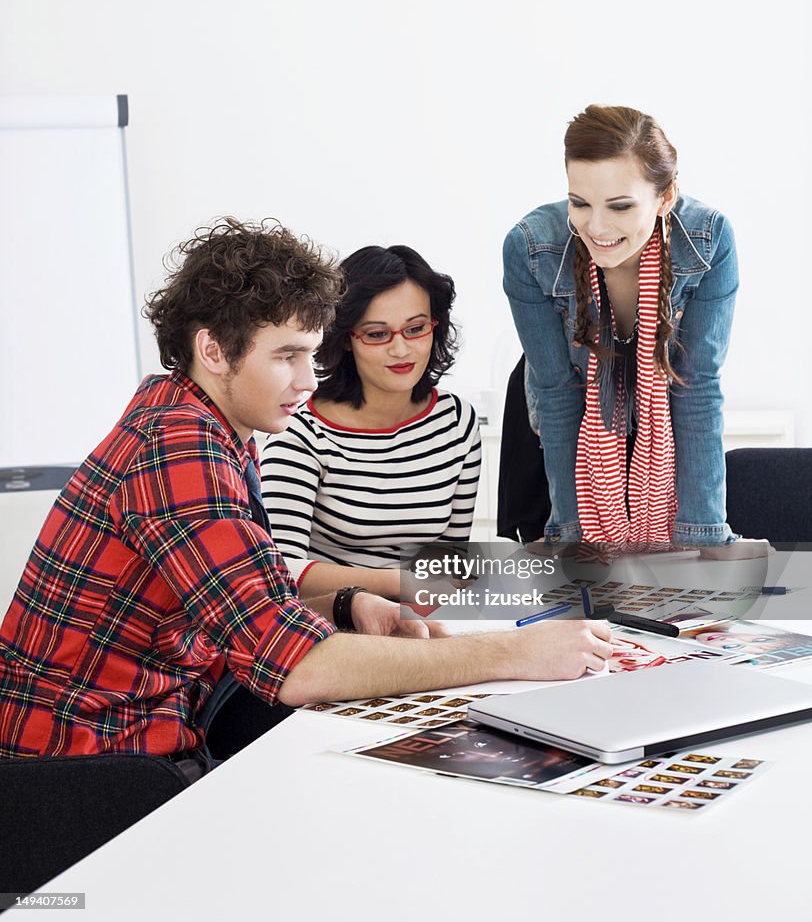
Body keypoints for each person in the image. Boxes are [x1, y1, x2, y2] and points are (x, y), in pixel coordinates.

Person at [0, 218, 612, 779]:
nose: (305, 380)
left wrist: (346, 605)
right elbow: (295, 667)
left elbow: (244, 594)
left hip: (139, 731)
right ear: (213, 350)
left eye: (310, 354)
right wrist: (515, 653)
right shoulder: (181, 450)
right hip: (86, 767)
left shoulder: (198, 419)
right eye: (287, 356)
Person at [503, 104, 758, 553]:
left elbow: (697, 385)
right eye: (579, 203)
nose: (596, 226)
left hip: (665, 406)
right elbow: (557, 391)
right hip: (567, 418)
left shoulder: (709, 239)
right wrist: (572, 535)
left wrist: (705, 534)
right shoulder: (529, 247)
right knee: (576, 587)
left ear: (666, 196)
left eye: (620, 207)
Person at [260, 245, 481, 600]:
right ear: (347, 339)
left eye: (416, 329)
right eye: (378, 334)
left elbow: (451, 562)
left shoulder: (456, 421)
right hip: (336, 628)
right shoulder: (300, 434)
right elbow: (279, 569)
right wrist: (399, 584)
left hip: (423, 623)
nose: (401, 350)